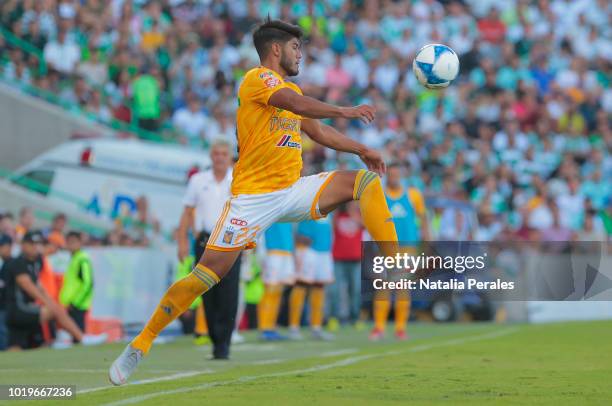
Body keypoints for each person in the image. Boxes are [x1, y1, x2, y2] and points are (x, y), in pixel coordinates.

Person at [110, 18, 397, 385]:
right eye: (296, 48)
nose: (300, 54)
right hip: (252, 200)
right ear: (275, 49)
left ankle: (394, 263)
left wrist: (362, 149)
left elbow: (317, 130)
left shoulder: (290, 94)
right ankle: (141, 343)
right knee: (203, 278)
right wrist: (344, 109)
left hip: (292, 189)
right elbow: (294, 102)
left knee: (365, 182)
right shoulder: (257, 80)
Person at [177, 139, 239, 360]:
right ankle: (215, 338)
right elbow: (187, 212)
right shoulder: (198, 180)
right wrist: (182, 241)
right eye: (216, 153)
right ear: (211, 156)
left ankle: (224, 345)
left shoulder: (239, 178)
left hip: (231, 241)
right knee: (206, 293)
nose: (220, 157)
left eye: (224, 153)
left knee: (229, 294)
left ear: (230, 156)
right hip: (204, 240)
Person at [370, 163, 429, 341]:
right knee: (383, 287)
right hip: (386, 246)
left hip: (407, 247)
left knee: (402, 287)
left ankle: (400, 328)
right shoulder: (379, 194)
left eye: (397, 175)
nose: (394, 178)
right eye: (392, 175)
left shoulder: (413, 194)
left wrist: (426, 241)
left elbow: (423, 218)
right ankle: (379, 327)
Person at [4, 231, 85, 350]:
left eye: (38, 243)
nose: (35, 246)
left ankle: (67, 337)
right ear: (23, 245)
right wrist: (49, 304)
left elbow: (38, 285)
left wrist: (50, 301)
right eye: (32, 243)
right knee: (54, 310)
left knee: (16, 347)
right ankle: (81, 338)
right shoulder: (17, 263)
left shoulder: (36, 261)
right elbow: (28, 286)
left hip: (25, 308)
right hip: (17, 310)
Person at [288, 215, 335, 341]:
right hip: (308, 248)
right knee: (301, 285)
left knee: (319, 286)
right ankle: (293, 327)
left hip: (324, 250)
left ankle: (316, 327)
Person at [258, 222, 295, 341]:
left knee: (279, 291)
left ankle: (271, 326)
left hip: (287, 251)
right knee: (270, 290)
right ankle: (264, 327)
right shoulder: (270, 205)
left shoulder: (288, 209)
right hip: (272, 251)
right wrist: (262, 254)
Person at [59, 231, 94, 335]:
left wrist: (75, 303)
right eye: (69, 242)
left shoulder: (82, 259)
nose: (71, 245)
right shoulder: (74, 258)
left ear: (80, 243)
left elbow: (88, 283)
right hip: (70, 305)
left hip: (77, 305)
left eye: (73, 242)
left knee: (78, 336)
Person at [0, 233, 14, 350]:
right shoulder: (4, 263)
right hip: (3, 304)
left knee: (4, 331)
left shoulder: (12, 263)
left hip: (8, 305)